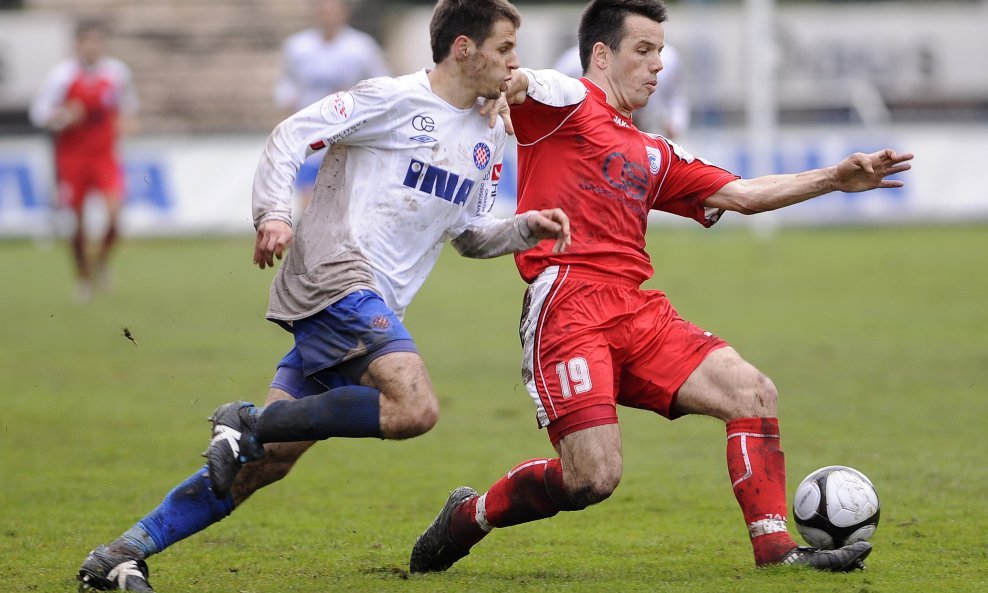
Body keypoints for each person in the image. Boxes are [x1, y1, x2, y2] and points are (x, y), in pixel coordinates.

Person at [76, 1, 569, 591]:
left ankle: (119, 554)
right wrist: (274, 216)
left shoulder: (486, 135)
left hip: (366, 308)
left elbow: (464, 235)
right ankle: (248, 422)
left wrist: (524, 227)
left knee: (267, 463)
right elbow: (291, 134)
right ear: (464, 48)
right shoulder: (391, 99)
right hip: (335, 275)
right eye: (506, 47)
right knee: (415, 408)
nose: (516, 62)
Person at [409, 0, 912, 575]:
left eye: (660, 53)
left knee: (752, 392)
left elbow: (743, 194)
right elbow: (529, 84)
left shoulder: (652, 151)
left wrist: (833, 177)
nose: (657, 66)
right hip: (568, 305)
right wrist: (512, 82)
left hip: (635, 309)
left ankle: (777, 552)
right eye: (643, 51)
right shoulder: (565, 106)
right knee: (591, 479)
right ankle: (468, 516)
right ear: (601, 55)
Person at [29, 19, 138, 302]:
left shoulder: (116, 73)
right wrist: (64, 117)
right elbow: (39, 113)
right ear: (78, 45)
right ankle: (83, 278)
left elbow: (127, 107)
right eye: (87, 41)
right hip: (72, 159)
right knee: (76, 223)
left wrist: (126, 123)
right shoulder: (62, 75)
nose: (93, 47)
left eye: (97, 41)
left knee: (115, 217)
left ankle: (99, 262)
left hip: (104, 157)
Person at [274, 0, 390, 208]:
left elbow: (382, 86)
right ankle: (310, 238)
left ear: (343, 13)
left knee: (344, 200)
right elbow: (287, 87)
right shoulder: (298, 47)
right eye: (324, 11)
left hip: (348, 134)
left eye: (333, 11)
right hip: (311, 133)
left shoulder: (361, 47)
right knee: (309, 200)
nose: (328, 16)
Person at [554, 37, 688, 138]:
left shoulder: (667, 61)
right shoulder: (573, 63)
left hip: (645, 123)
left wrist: (675, 123)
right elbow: (555, 98)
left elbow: (675, 97)